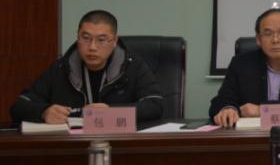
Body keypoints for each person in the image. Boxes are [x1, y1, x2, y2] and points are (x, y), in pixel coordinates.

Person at [10, 10, 164, 124]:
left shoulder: (132, 66)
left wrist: (112, 112)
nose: (92, 47)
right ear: (77, 37)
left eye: (101, 40)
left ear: (114, 41)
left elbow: (155, 105)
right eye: (86, 38)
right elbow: (19, 106)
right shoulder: (62, 67)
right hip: (73, 146)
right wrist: (43, 112)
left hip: (119, 144)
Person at [209, 8, 280, 127]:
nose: (275, 40)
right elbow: (220, 101)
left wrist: (262, 110)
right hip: (251, 134)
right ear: (258, 39)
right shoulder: (240, 64)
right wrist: (228, 108)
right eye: (268, 33)